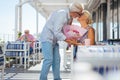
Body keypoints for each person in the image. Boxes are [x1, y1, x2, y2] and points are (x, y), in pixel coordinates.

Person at [39, 2, 84, 80]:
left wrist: (73, 37)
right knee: (48, 60)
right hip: (47, 38)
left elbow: (65, 30)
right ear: (74, 11)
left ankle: (57, 78)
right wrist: (67, 40)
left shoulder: (69, 17)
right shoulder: (62, 14)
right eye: (78, 14)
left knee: (57, 60)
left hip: (54, 40)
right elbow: (57, 31)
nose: (78, 16)